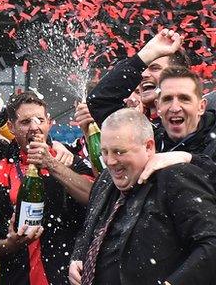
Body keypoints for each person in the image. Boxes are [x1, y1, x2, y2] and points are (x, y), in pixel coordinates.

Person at [69, 108, 216, 285]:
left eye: (119, 151)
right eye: (105, 152)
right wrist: (78, 257)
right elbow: (89, 229)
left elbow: (211, 245)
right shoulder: (105, 180)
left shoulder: (175, 177)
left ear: (148, 147)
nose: (110, 161)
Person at [0, 91, 94, 285]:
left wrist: (51, 164)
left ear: (49, 123)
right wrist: (7, 245)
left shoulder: (70, 163)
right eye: (25, 122)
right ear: (11, 127)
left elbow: (95, 197)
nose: (35, 127)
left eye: (40, 119)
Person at [87, 29, 190, 130]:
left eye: (155, 68)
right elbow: (98, 102)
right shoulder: (138, 129)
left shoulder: (194, 127)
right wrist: (141, 60)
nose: (143, 74)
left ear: (178, 76)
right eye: (143, 69)